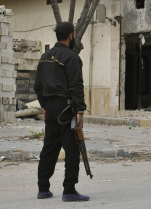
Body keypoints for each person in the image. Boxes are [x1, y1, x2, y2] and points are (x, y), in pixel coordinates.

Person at [34, 21, 90, 202]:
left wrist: (45, 106)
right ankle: (69, 190)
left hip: (50, 108)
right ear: (71, 36)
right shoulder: (71, 57)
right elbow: (76, 85)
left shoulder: (44, 56)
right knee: (72, 149)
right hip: (66, 108)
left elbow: (38, 86)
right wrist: (80, 110)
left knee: (49, 148)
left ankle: (43, 188)